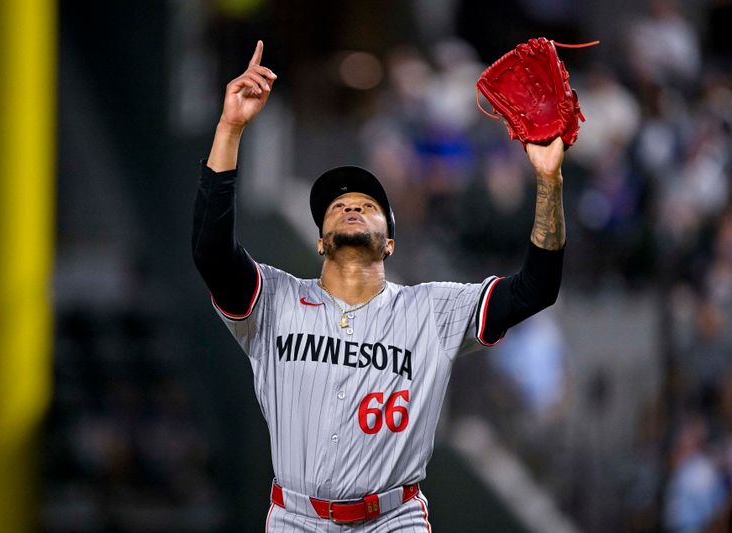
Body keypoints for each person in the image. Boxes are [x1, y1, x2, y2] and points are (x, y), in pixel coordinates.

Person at [192, 40, 566, 532]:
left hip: (393, 520)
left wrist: (548, 182)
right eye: (337, 206)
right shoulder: (277, 301)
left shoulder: (431, 310)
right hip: (296, 519)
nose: (350, 205)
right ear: (322, 242)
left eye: (367, 205)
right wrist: (230, 129)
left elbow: (535, 288)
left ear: (389, 244)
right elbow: (212, 254)